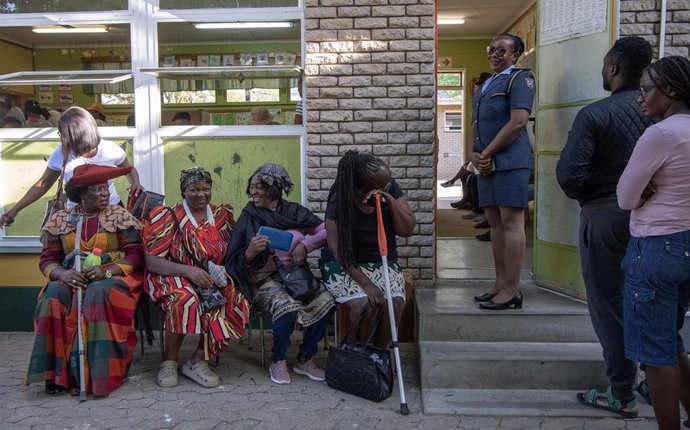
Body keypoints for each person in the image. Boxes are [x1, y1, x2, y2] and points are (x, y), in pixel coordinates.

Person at [556, 36, 653, 418]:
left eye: (603, 65)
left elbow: (569, 176)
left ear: (612, 68)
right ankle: (658, 377)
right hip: (658, 222)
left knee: (609, 304)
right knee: (653, 302)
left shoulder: (595, 115)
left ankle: (621, 392)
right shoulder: (667, 118)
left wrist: (596, 195)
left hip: (606, 217)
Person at [25, 164, 144, 397]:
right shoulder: (61, 219)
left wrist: (107, 272)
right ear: (80, 194)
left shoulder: (118, 216)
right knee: (52, 297)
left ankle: (97, 376)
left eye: (105, 188)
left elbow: (136, 255)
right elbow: (48, 259)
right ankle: (55, 375)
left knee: (96, 294)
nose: (105, 194)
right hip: (73, 276)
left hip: (114, 277)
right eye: (96, 190)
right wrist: (63, 274)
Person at [617, 56, 690, 430]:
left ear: (672, 91)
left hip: (657, 246)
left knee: (656, 350)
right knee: (672, 341)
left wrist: (645, 192)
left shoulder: (661, 134)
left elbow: (626, 197)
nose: (640, 98)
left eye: (646, 90)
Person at [225, 163, 335, 385]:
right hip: (263, 280)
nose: (253, 192)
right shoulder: (249, 216)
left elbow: (326, 230)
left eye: (259, 187)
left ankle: (305, 359)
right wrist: (249, 252)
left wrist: (305, 245)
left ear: (274, 188)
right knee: (286, 308)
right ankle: (279, 360)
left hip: (295, 275)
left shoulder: (294, 212)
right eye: (252, 187)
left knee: (327, 300)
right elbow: (232, 259)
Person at [143, 167, 250, 388]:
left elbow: (233, 251)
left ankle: (197, 359)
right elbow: (153, 261)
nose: (200, 194)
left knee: (237, 300)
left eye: (205, 189)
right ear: (184, 191)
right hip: (172, 273)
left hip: (210, 277)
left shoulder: (222, 215)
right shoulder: (168, 216)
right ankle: (169, 361)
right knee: (185, 299)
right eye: (194, 189)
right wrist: (188, 271)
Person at [320, 151, 416, 347]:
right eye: (382, 186)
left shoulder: (389, 188)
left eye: (388, 183)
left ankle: (379, 354)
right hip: (345, 264)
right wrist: (366, 284)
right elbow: (337, 250)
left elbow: (407, 229)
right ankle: (358, 354)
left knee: (395, 303)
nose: (388, 186)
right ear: (360, 190)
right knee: (365, 305)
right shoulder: (340, 200)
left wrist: (390, 200)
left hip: (382, 258)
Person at [470, 34, 536, 310]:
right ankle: (499, 283)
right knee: (495, 223)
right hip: (488, 163)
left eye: (502, 50)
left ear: (515, 55)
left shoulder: (520, 79)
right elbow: (478, 124)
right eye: (492, 49)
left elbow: (518, 122)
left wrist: (487, 153)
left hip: (510, 161)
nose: (494, 54)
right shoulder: (487, 83)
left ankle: (512, 289)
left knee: (511, 223)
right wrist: (475, 154)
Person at [0, 106, 143, 227]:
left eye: (63, 135)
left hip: (112, 211)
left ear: (76, 136)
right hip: (76, 215)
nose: (62, 139)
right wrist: (16, 209)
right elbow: (43, 184)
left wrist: (136, 183)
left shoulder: (110, 150)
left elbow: (129, 169)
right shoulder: (61, 153)